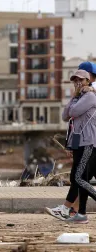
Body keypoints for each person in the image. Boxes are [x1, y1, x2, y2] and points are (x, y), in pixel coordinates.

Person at [45, 63, 96, 220]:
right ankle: (78, 213)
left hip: (88, 143)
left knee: (79, 178)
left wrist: (78, 95)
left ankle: (73, 211)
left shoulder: (90, 97)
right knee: (79, 177)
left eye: (80, 80)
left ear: (88, 80)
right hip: (79, 142)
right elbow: (65, 115)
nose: (77, 83)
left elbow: (73, 111)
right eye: (75, 80)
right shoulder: (80, 96)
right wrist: (75, 95)